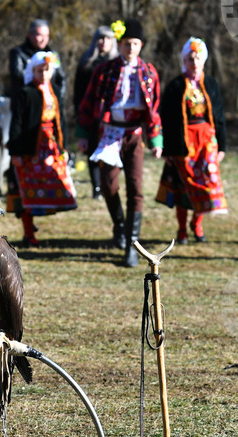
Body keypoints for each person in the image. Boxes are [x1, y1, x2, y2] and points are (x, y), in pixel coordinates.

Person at [76, 19, 162, 268]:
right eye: (126, 44)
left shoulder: (149, 73)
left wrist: (155, 138)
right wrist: (82, 133)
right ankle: (120, 224)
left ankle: (131, 244)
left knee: (135, 187)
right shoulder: (104, 71)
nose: (130, 48)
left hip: (134, 135)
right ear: (119, 44)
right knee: (108, 185)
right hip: (110, 132)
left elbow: (154, 108)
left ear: (141, 45)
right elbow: (88, 102)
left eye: (135, 44)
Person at [155, 37, 228, 244]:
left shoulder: (211, 84)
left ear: (204, 60)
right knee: (183, 188)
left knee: (204, 184)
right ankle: (181, 229)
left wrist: (221, 145)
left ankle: (197, 224)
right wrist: (167, 148)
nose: (194, 63)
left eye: (198, 58)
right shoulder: (175, 86)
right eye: (190, 58)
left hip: (206, 144)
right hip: (182, 143)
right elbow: (166, 118)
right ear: (184, 60)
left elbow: (219, 116)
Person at [7, 51, 77, 246]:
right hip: (31, 147)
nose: (43, 74)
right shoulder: (25, 93)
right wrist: (16, 152)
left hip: (50, 145)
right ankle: (28, 232)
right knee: (28, 188)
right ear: (32, 71)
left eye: (46, 70)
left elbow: (60, 120)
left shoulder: (54, 91)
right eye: (39, 70)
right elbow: (17, 123)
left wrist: (62, 147)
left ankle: (37, 226)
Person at [73, 25, 119, 200]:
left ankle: (110, 183)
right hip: (91, 115)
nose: (104, 42)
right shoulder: (87, 62)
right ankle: (96, 187)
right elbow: (79, 91)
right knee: (92, 151)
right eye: (101, 38)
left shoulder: (117, 64)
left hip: (112, 117)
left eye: (108, 38)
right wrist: (79, 112)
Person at [9, 19, 67, 117]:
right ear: (30, 35)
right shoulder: (18, 53)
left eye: (47, 36)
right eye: (40, 35)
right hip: (26, 107)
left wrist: (57, 97)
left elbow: (61, 78)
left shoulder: (52, 55)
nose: (43, 39)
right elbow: (17, 74)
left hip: (49, 107)